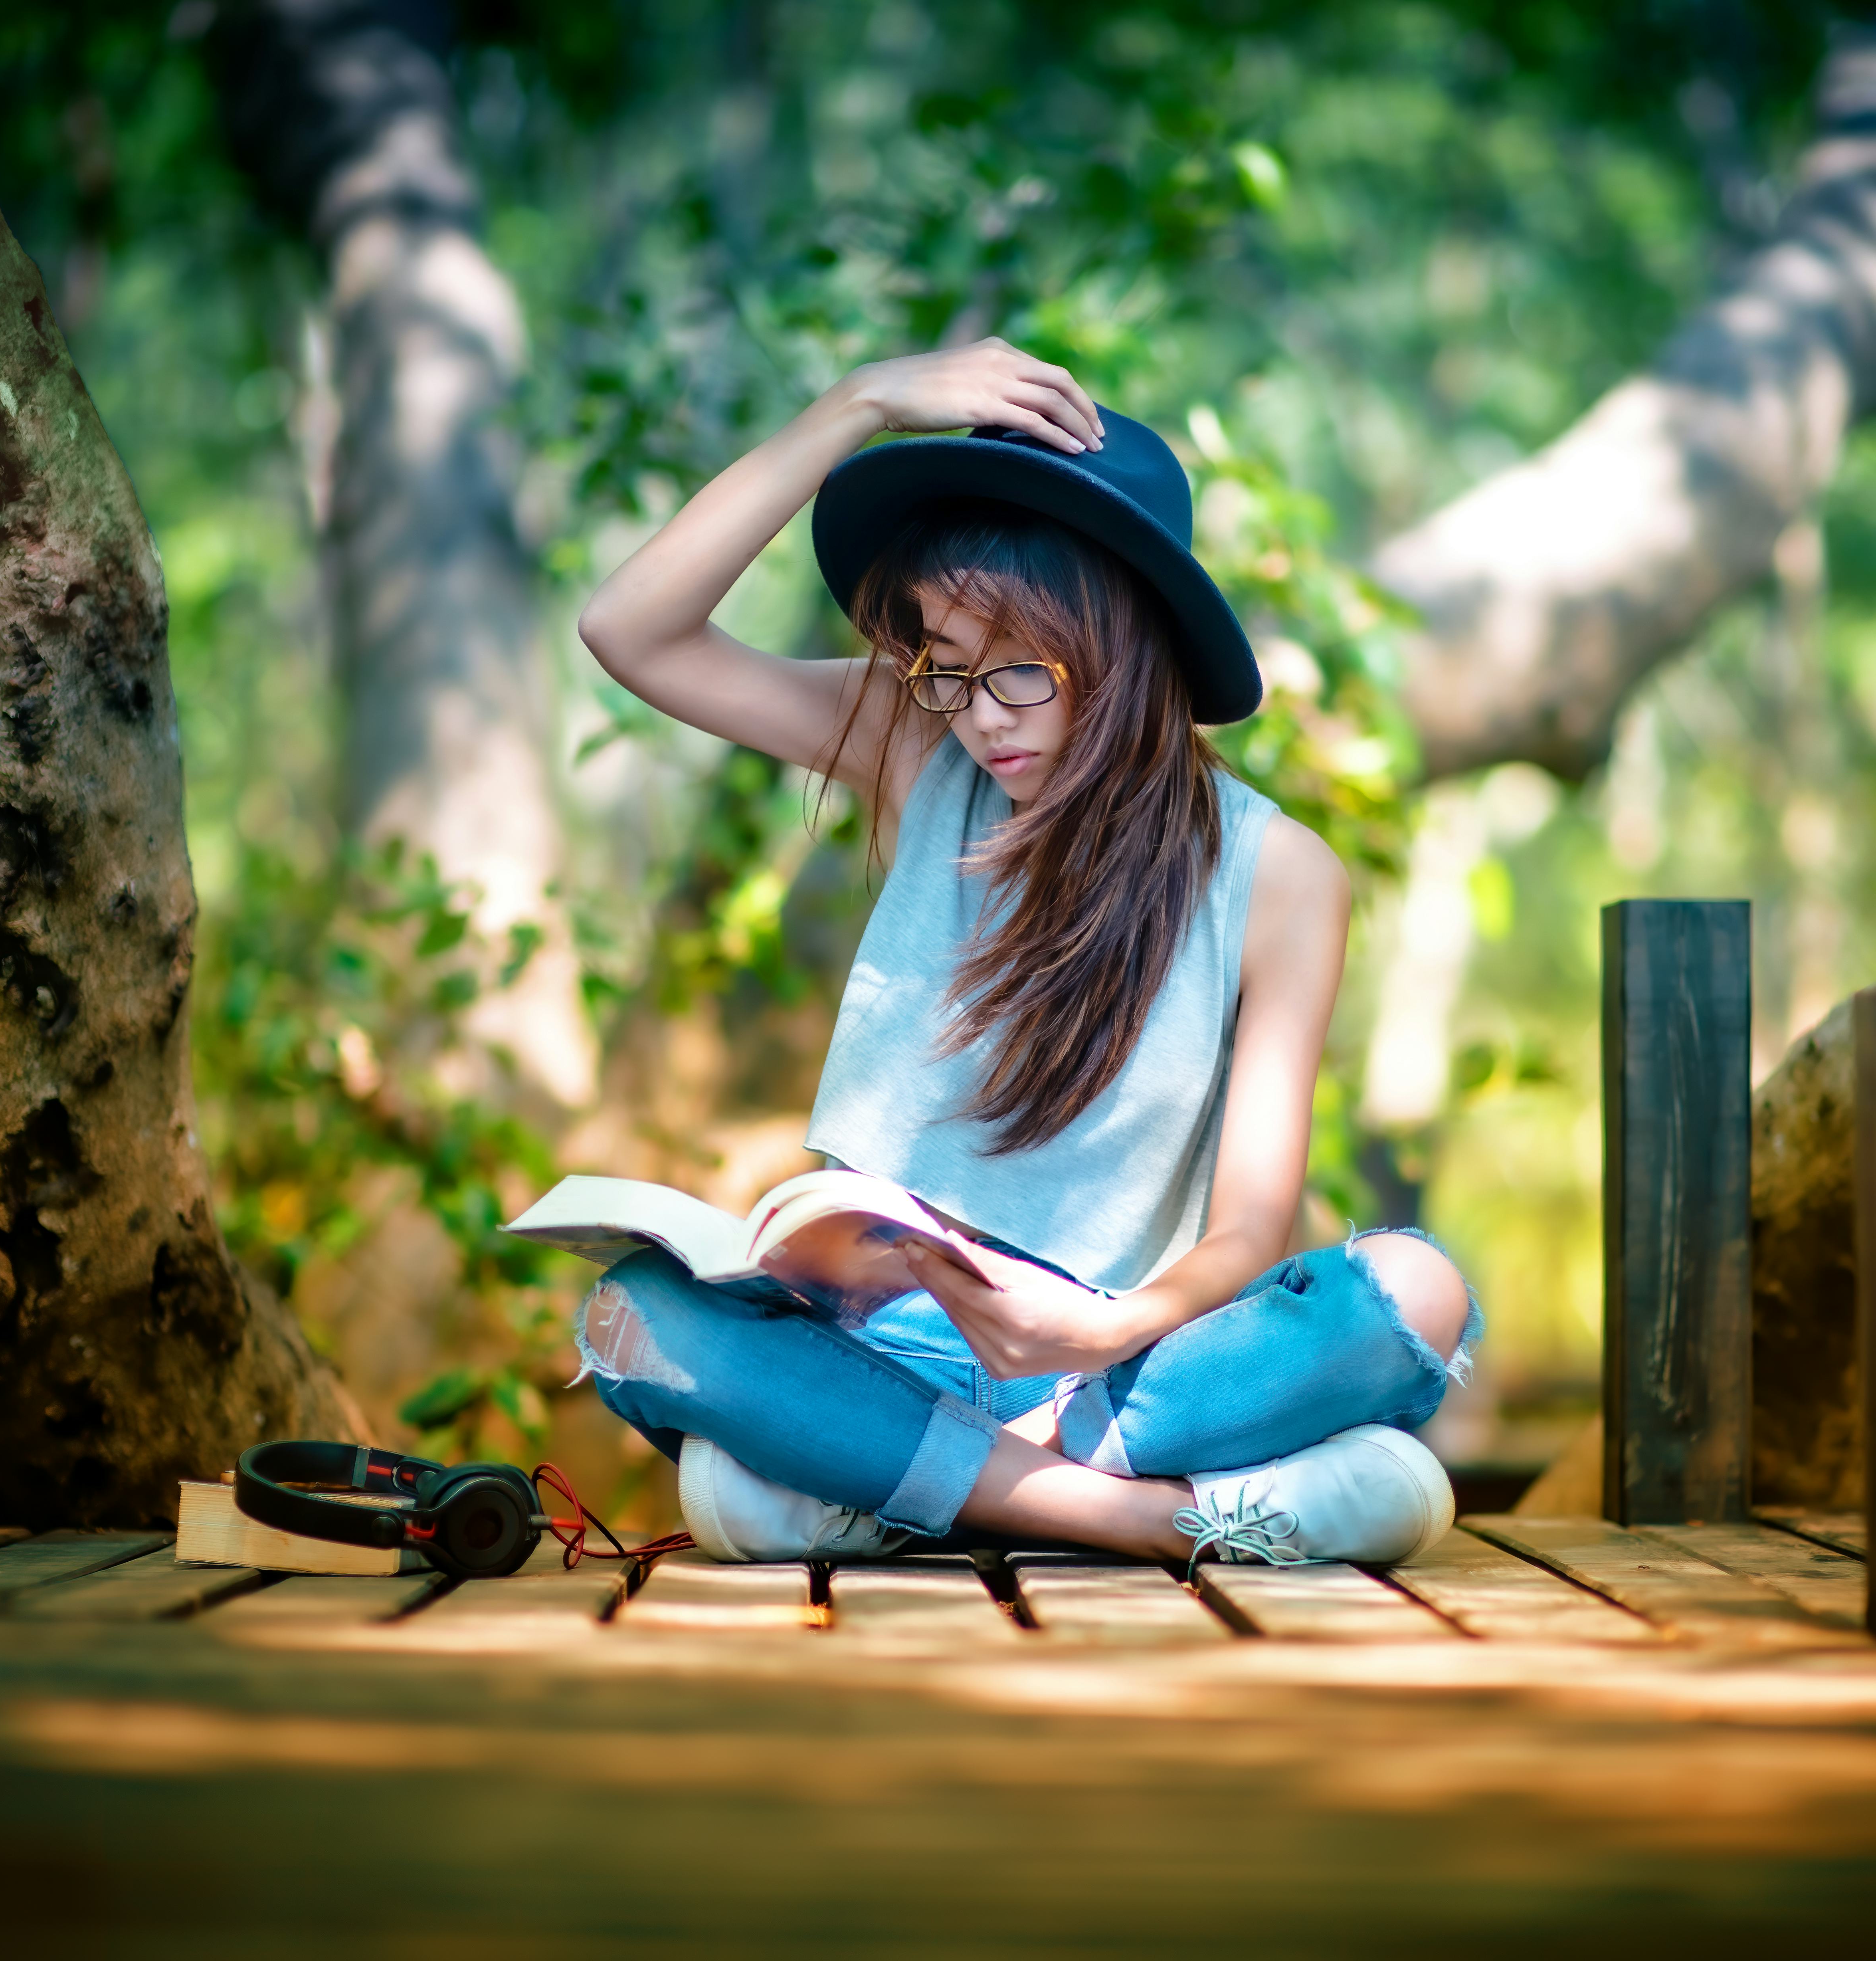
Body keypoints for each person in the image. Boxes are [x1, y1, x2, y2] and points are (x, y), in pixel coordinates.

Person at [573, 339, 1480, 1566]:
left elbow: (1250, 1229)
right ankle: (1146, 1521)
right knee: (634, 1321)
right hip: (884, 1351)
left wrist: (1100, 1333)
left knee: (1416, 1293)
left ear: (1125, 640)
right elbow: (633, 630)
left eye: (1016, 666)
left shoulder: (1280, 875)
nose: (980, 711)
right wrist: (862, 404)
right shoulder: (915, 749)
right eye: (944, 668)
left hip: (1118, 1368)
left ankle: (895, 1488)